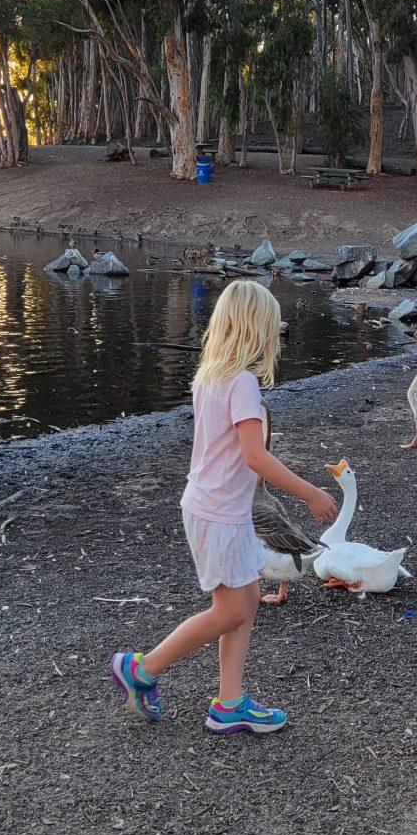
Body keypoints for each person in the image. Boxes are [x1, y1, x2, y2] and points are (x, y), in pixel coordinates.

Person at [110, 278, 337, 735]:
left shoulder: (211, 377)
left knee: (248, 599)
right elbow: (255, 455)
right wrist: (310, 493)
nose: (278, 335)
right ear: (256, 330)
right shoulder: (243, 383)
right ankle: (142, 669)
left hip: (214, 509)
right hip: (218, 514)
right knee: (231, 610)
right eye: (273, 327)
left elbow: (235, 454)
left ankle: (230, 703)